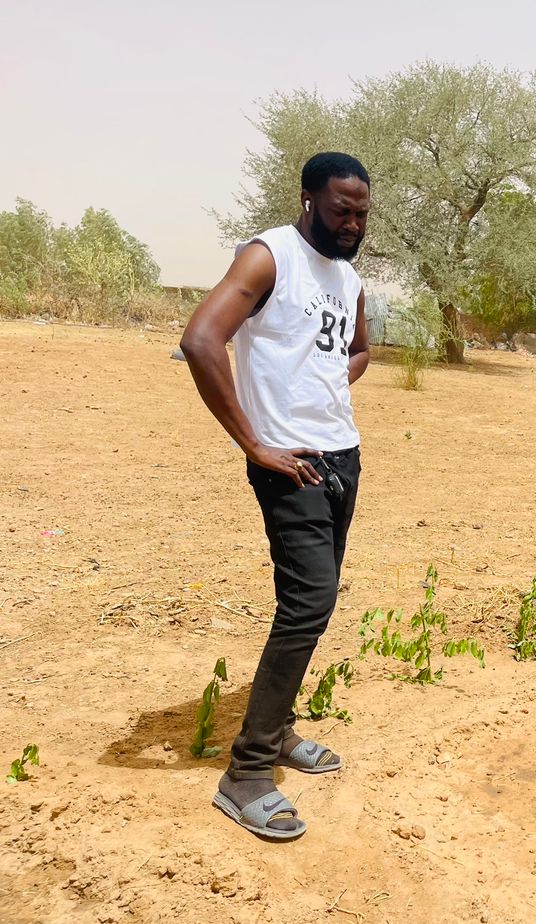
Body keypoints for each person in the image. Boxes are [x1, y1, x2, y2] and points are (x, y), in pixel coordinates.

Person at [180, 152, 371, 838]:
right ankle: (248, 772)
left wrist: (318, 388)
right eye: (341, 209)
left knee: (312, 608)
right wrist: (256, 442)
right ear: (309, 197)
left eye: (361, 213)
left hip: (343, 456)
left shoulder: (348, 278)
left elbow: (357, 351)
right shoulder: (270, 257)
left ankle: (282, 729)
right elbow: (202, 339)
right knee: (308, 606)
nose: (352, 223)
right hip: (289, 464)